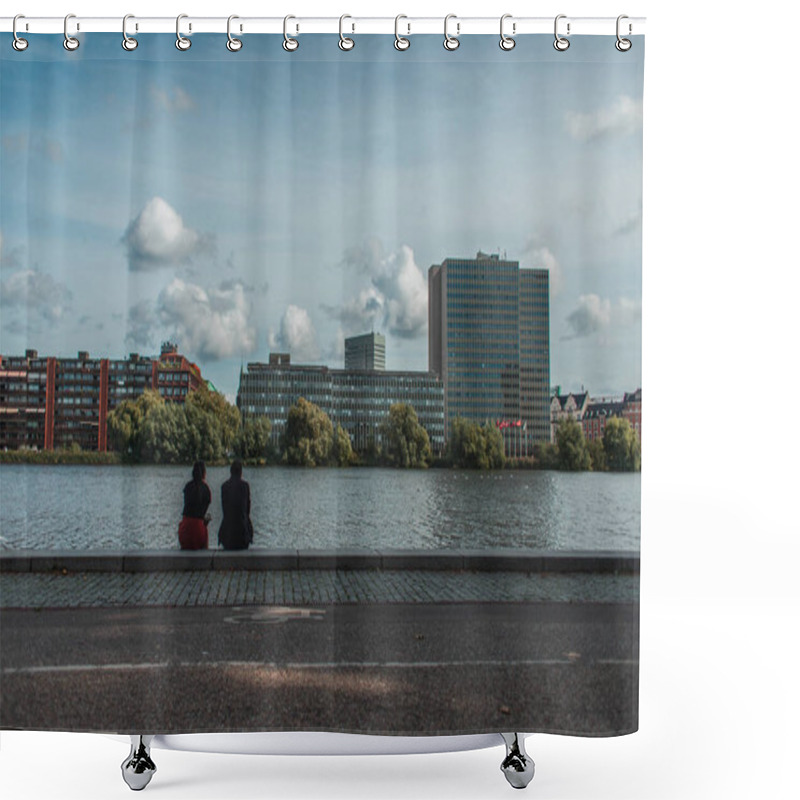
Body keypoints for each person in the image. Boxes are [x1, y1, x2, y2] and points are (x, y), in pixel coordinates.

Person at [218, 459, 253, 550]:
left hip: (227, 537)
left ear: (230, 472)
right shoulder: (245, 486)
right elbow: (247, 510)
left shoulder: (224, 486)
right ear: (241, 472)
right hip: (242, 537)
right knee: (245, 519)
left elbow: (224, 510)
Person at [178, 461, 211, 550]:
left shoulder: (188, 486)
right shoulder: (206, 489)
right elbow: (201, 516)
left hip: (185, 530)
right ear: (204, 473)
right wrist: (206, 520)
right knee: (203, 530)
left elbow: (188, 510)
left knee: (185, 527)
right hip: (198, 531)